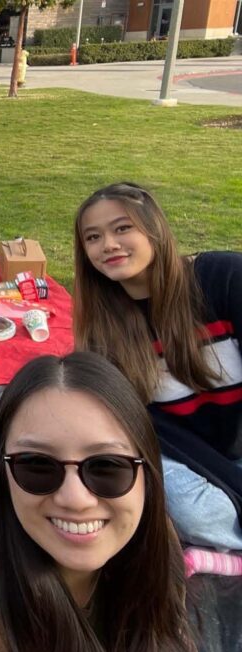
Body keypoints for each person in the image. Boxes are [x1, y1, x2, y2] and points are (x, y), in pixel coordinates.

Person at [0, 352, 199, 652]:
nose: (74, 498)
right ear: (1, 475)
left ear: (148, 475)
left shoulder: (154, 547)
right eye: (37, 466)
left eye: (106, 467)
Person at [73, 182, 242, 553]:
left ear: (154, 229)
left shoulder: (223, 277)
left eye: (122, 228)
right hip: (182, 459)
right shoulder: (103, 329)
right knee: (189, 510)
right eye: (93, 237)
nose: (109, 245)